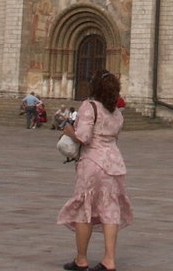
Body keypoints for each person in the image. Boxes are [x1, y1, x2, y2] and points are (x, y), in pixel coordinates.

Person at [58, 70, 133, 271]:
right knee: (110, 210)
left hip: (92, 163)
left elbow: (84, 137)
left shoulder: (89, 106)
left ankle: (81, 260)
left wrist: (68, 130)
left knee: (85, 210)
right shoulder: (116, 112)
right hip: (114, 164)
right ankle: (109, 259)